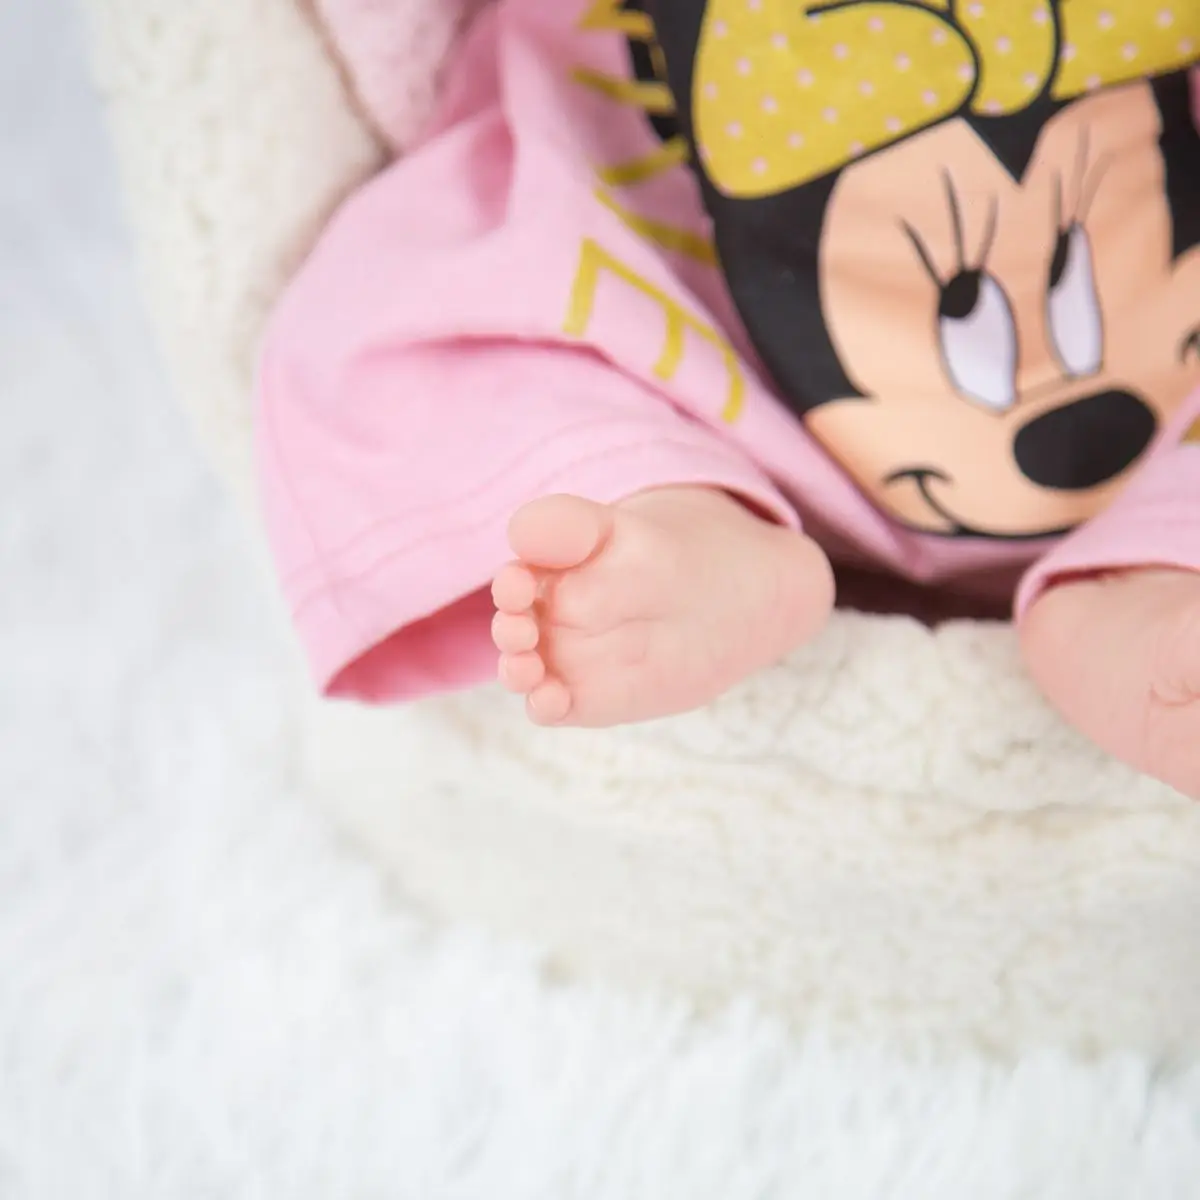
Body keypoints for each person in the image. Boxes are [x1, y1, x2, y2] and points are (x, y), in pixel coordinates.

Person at [256, 0, 1200, 796]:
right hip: (679, 284)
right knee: (397, 319)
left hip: (1154, 297)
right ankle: (675, 515)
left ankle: (1153, 597)